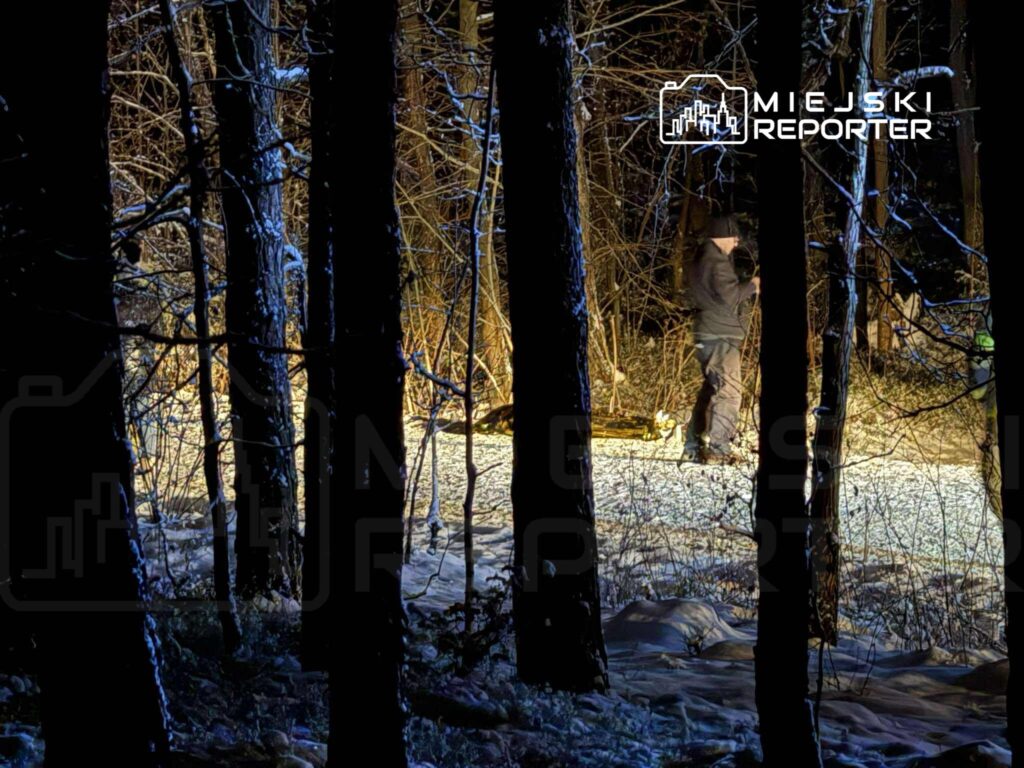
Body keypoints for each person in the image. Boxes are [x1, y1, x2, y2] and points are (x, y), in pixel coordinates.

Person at [680, 215, 759, 465]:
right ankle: (718, 449)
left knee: (711, 390)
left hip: (708, 333)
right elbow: (731, 295)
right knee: (730, 392)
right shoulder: (715, 261)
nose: (736, 243)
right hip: (719, 336)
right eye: (734, 238)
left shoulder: (704, 258)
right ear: (722, 236)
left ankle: (693, 445)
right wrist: (753, 285)